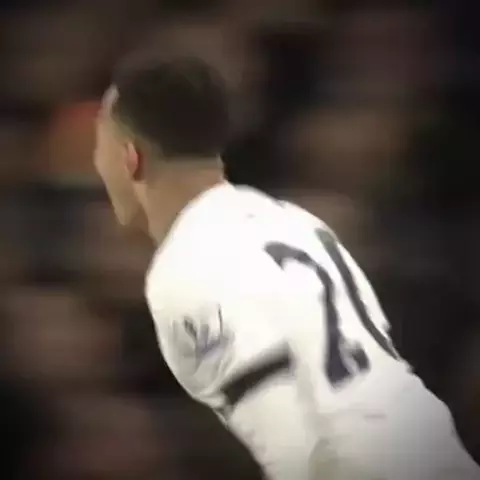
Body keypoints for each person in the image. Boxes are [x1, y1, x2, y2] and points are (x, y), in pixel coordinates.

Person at [93, 54, 479, 480]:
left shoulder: (188, 267)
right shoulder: (291, 220)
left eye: (99, 149)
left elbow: (295, 441)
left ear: (130, 159)